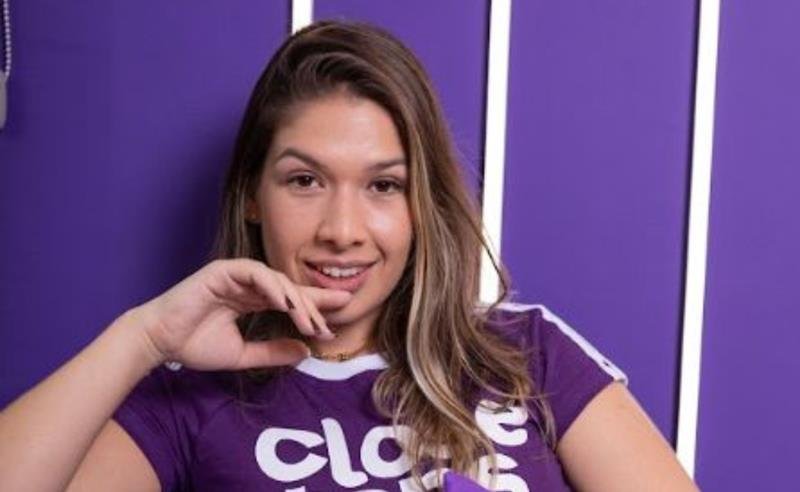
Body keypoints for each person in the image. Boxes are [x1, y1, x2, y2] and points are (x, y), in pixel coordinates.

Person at [0, 20, 698, 492]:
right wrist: (144, 338)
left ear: (421, 204)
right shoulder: (188, 398)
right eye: (305, 181)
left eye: (383, 186)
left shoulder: (527, 353)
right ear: (253, 196)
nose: (342, 230)